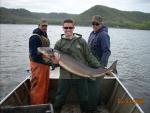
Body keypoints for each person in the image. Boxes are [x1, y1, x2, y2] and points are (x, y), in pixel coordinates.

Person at [53, 19, 101, 113]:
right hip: (64, 76)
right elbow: (53, 63)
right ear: (63, 28)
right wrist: (54, 63)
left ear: (73, 28)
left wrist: (100, 67)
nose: (68, 29)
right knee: (59, 98)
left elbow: (89, 56)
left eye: (70, 27)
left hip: (80, 76)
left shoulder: (81, 42)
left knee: (84, 99)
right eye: (66, 27)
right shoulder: (59, 43)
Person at [87, 15, 111, 112]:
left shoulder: (103, 35)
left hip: (98, 67)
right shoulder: (92, 33)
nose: (95, 25)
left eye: (97, 24)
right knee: (92, 88)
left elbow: (107, 52)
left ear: (101, 24)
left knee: (93, 89)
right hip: (89, 66)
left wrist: (101, 67)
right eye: (93, 23)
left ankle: (92, 110)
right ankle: (98, 103)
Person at [29, 19, 55, 104]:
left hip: (45, 65)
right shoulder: (34, 37)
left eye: (46, 26)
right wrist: (48, 62)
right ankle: (36, 106)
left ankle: (44, 103)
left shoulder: (44, 35)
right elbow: (34, 55)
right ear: (38, 25)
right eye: (43, 25)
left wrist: (51, 60)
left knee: (45, 85)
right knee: (38, 86)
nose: (44, 27)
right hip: (37, 65)